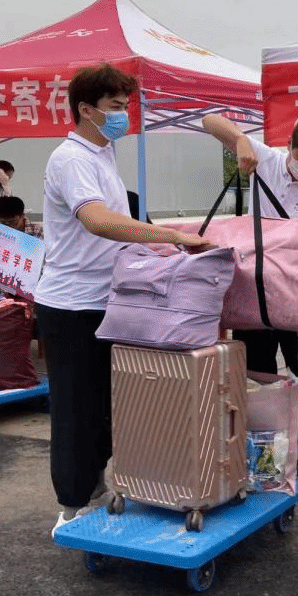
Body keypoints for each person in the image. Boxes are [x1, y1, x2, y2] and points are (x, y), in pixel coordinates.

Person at [35, 63, 211, 536]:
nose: (122, 115)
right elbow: (98, 220)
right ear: (85, 110)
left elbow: (117, 225)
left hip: (105, 298)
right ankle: (72, 506)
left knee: (109, 404)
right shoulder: (71, 159)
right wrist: (172, 235)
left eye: (125, 106)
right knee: (76, 408)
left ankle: (96, 487)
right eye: (114, 107)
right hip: (71, 305)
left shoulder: (103, 154)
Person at [202, 111, 298, 508]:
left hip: (296, 306)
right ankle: (258, 467)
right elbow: (209, 122)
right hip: (253, 299)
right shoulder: (265, 160)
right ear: (290, 146)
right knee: (256, 384)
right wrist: (240, 142)